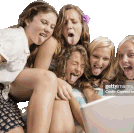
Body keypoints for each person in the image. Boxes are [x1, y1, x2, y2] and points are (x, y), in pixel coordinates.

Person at [0, 1, 58, 133]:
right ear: (28, 20)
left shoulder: (23, 45)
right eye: (44, 22)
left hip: (0, 96)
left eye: (52, 26)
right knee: (48, 78)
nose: (48, 29)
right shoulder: (15, 40)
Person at [71, 37, 134, 133]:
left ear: (111, 61)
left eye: (105, 58)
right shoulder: (82, 75)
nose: (99, 62)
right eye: (95, 56)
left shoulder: (114, 75)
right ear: (88, 55)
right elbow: (90, 94)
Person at [30, 4, 90, 133]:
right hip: (44, 89)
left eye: (74, 22)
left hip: (62, 90)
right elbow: (38, 75)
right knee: (61, 99)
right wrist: (58, 81)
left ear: (82, 25)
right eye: (64, 23)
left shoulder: (83, 49)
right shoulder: (53, 43)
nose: (69, 26)